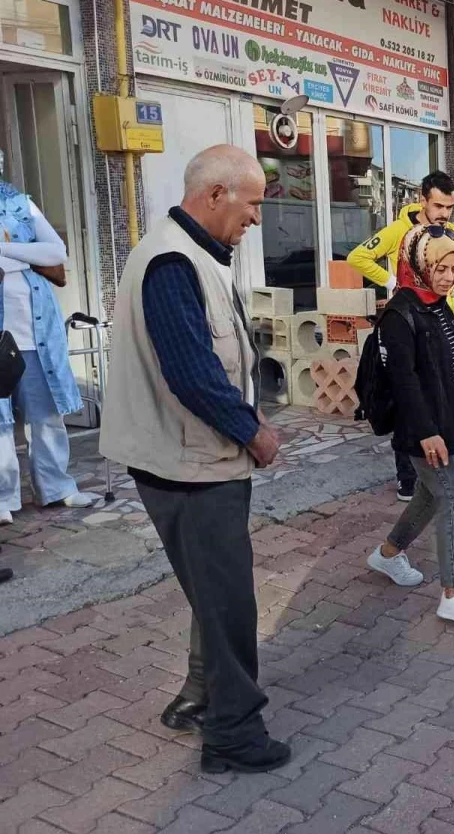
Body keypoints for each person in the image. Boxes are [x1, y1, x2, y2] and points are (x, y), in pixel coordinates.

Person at [101, 145, 290, 774]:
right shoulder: (172, 262)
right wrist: (252, 433)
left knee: (212, 592)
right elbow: (190, 371)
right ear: (216, 195)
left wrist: (250, 412)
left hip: (191, 459)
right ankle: (232, 734)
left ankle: (198, 696)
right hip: (188, 467)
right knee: (230, 602)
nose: (257, 219)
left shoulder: (193, 254)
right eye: (253, 204)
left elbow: (215, 358)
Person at [365, 223, 454, 627]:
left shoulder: (436, 303)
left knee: (430, 493)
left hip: (442, 420)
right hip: (420, 427)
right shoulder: (400, 313)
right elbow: (403, 381)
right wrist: (427, 433)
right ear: (420, 263)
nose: (449, 276)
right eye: (441, 267)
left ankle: (387, 555)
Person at [347, 171, 454, 502]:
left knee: (446, 392)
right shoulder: (401, 230)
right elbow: (357, 257)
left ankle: (448, 463)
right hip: (409, 320)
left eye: (449, 207)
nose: (444, 213)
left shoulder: (451, 233)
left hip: (443, 317)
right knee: (408, 395)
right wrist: (390, 281)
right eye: (438, 205)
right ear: (422, 199)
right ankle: (407, 477)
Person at [0, 152, 99, 524]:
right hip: (0, 340)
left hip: (37, 335)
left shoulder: (18, 203)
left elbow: (56, 252)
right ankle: (3, 500)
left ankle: (57, 488)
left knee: (46, 417)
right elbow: (42, 253)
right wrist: (28, 256)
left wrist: (6, 252)